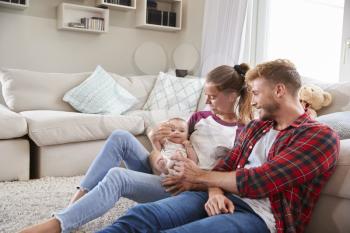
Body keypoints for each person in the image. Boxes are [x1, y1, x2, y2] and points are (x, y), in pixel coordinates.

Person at [96, 59, 340, 233]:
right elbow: (226, 165)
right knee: (140, 216)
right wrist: (213, 190)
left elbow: (261, 181)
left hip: (261, 218)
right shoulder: (258, 127)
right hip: (218, 195)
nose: (252, 102)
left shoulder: (320, 137)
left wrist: (198, 176)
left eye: (255, 93)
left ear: (278, 90)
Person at [19, 64, 253, 233]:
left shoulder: (245, 131)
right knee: (120, 136)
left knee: (117, 176)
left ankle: (58, 225)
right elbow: (169, 151)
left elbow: (228, 178)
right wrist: (156, 147)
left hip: (185, 187)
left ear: (232, 96)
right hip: (168, 171)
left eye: (212, 97)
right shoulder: (199, 118)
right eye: (206, 96)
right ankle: (73, 210)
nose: (207, 102)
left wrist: (195, 179)